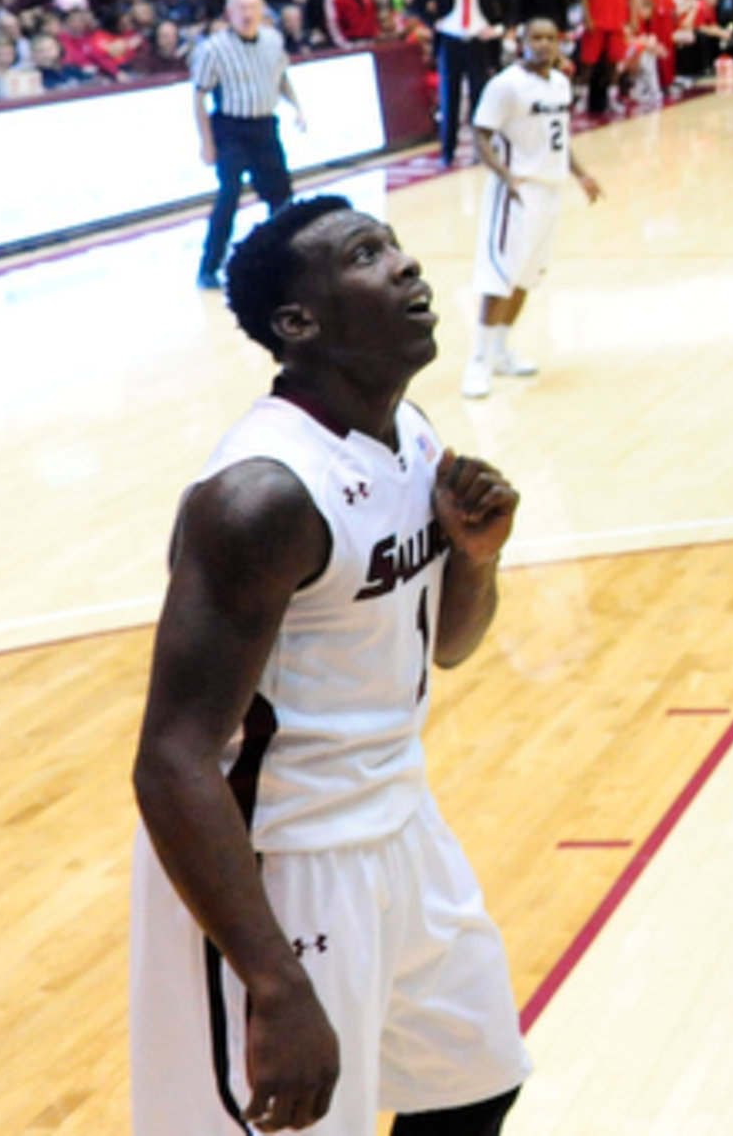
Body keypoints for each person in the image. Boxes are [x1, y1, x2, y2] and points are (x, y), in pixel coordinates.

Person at [131, 196, 532, 1136]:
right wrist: (271, 979)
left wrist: (477, 554)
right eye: (365, 253)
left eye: (394, 243)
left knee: (475, 1080)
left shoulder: (413, 436)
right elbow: (171, 759)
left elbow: (452, 643)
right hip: (283, 862)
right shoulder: (260, 496)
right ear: (298, 323)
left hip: (399, 822)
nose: (403, 264)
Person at [463, 18, 604, 400]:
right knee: (500, 276)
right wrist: (505, 176)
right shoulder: (505, 85)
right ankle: (477, 361)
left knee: (526, 276)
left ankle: (500, 352)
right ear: (520, 41)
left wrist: (581, 174)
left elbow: (557, 139)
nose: (543, 44)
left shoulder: (559, 83)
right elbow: (480, 133)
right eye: (536, 38)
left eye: (550, 38)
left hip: (551, 189)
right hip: (517, 190)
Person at [192, 0, 305, 291]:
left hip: (265, 125)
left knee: (282, 196)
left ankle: (285, 261)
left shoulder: (273, 40)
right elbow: (199, 96)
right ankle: (209, 266)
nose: (247, 13)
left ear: (262, 9)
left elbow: (281, 77)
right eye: (240, 7)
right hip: (230, 128)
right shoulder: (212, 49)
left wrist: (298, 108)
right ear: (229, 13)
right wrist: (206, 141)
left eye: (253, 6)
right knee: (229, 195)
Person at [415, 0, 515, 168]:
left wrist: (498, 29)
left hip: (478, 42)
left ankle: (481, 151)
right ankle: (448, 152)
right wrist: (435, 23)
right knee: (450, 98)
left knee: (480, 98)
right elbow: (417, 3)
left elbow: (511, 4)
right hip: (451, 41)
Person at [573, 0, 633, 118]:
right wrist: (588, 18)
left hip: (616, 22)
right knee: (588, 62)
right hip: (596, 23)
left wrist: (631, 20)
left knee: (614, 63)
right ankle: (583, 97)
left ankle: (612, 98)